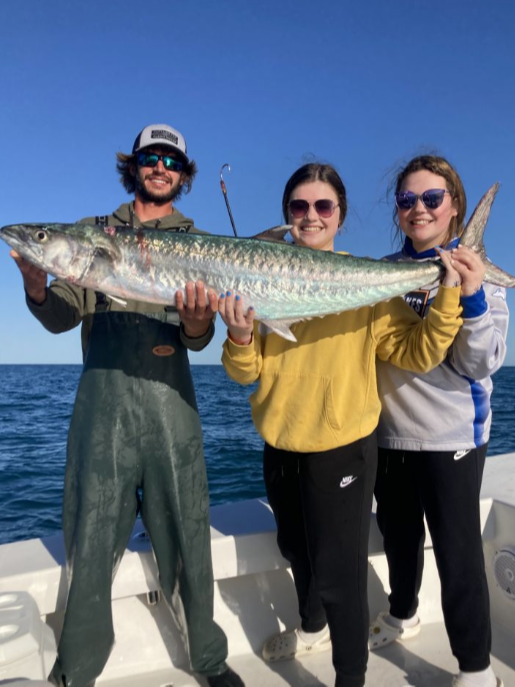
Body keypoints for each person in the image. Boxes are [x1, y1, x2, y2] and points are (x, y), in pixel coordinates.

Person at [216, 162, 482, 687]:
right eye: (299, 206)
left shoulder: (366, 281)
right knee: (297, 552)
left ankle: (350, 678)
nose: (311, 216)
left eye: (323, 206)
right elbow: (247, 372)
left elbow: (419, 350)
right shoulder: (257, 276)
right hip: (281, 444)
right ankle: (311, 626)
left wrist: (450, 291)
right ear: (286, 217)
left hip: (343, 447)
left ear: (339, 215)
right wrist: (241, 336)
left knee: (341, 575)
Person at [10, 123, 244, 687]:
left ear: (182, 174)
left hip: (171, 403)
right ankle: (78, 668)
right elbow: (64, 314)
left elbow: (197, 340)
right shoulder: (94, 234)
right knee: (90, 538)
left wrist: (196, 321)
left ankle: (208, 658)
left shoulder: (201, 244)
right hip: (102, 404)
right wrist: (38, 285)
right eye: (150, 157)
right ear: (134, 165)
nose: (159, 166)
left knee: (190, 532)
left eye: (170, 160)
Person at [370, 155, 507, 687]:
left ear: (454, 207)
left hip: (452, 438)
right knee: (399, 538)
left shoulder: (485, 278)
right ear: (399, 211)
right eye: (408, 200)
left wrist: (469, 294)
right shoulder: (383, 272)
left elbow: (481, 361)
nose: (419, 208)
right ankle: (403, 614)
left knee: (457, 553)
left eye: (432, 198)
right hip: (388, 436)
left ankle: (475, 667)